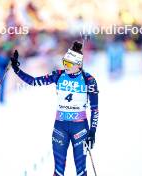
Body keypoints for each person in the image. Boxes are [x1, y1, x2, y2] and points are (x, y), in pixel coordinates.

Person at [10, 41, 99, 176]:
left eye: (69, 63)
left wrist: (92, 131)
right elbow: (34, 82)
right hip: (60, 127)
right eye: (64, 62)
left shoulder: (89, 80)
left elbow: (95, 109)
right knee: (58, 170)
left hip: (80, 128)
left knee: (81, 170)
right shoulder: (58, 75)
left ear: (79, 64)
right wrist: (17, 70)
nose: (65, 66)